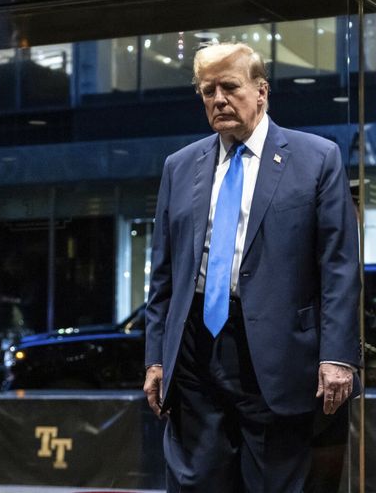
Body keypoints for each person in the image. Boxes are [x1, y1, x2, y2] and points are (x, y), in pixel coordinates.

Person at [143, 42, 360, 492]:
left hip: (279, 353)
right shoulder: (179, 166)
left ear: (261, 92)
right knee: (196, 481)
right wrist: (155, 358)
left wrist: (337, 355)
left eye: (229, 87)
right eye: (207, 91)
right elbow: (163, 273)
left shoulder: (317, 157)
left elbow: (338, 266)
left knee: (274, 482)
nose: (218, 99)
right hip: (194, 349)